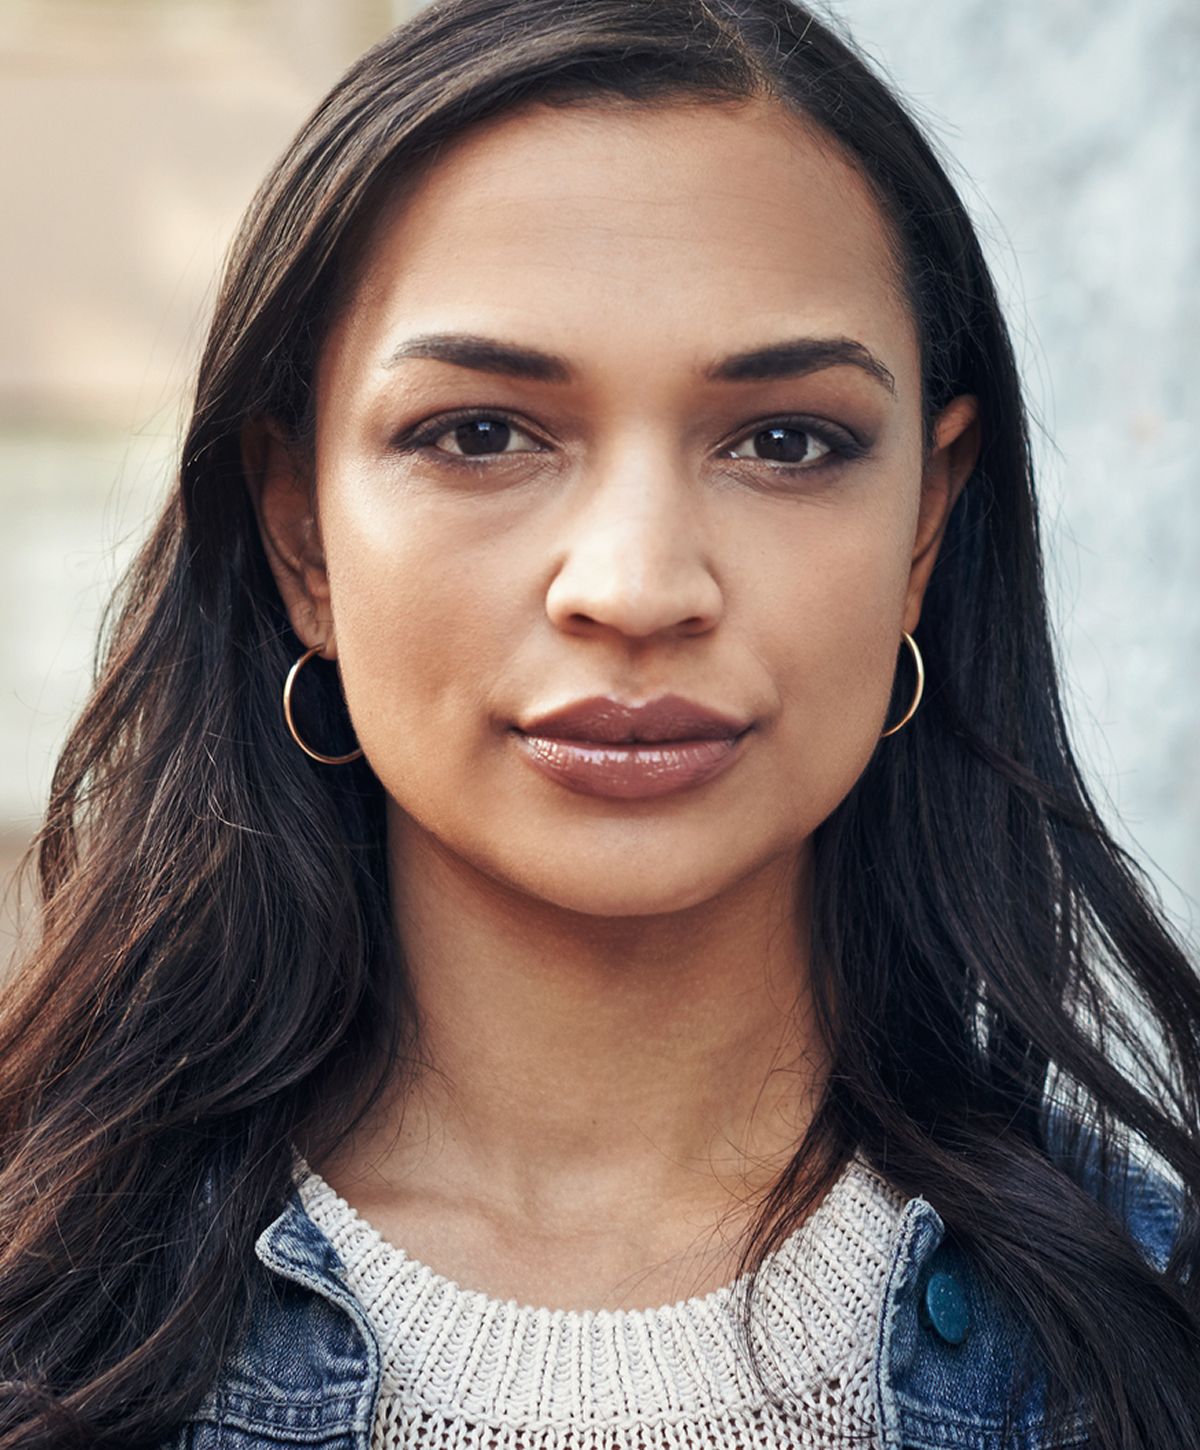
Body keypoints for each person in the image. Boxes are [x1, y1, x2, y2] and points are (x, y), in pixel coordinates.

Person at [1, 1, 1196, 1446]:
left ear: (926, 528)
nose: (636, 586)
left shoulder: (1156, 1327)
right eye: (483, 432)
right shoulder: (42, 1316)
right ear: (302, 531)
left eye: (784, 441)